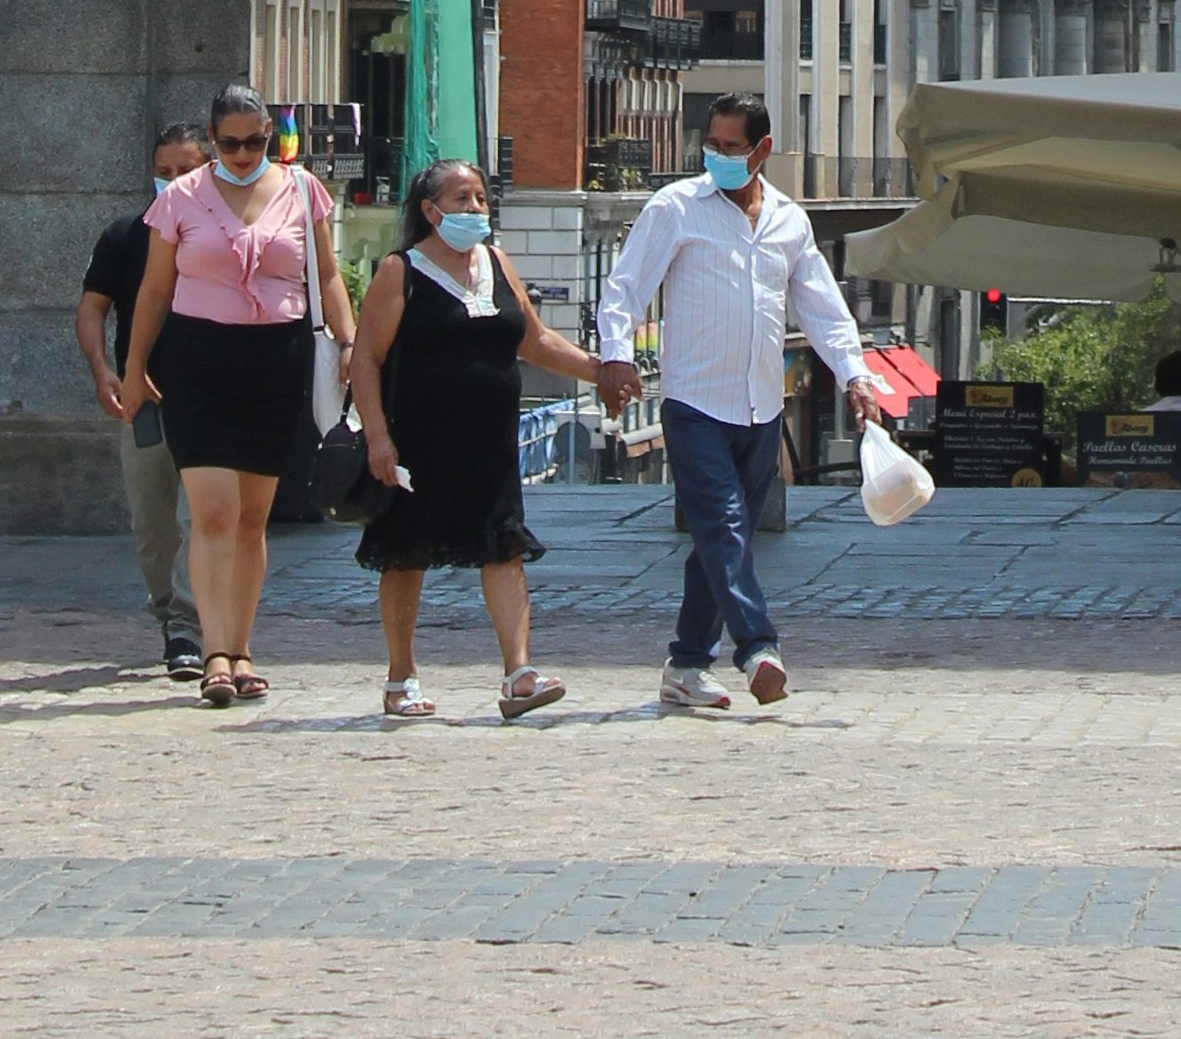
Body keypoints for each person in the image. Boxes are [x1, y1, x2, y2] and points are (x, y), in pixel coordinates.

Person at [594, 92, 892, 712]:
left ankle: (686, 664)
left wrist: (854, 375)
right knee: (724, 527)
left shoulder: (790, 221)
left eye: (732, 147)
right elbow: (625, 287)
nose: (718, 156)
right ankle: (759, 648)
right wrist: (617, 355)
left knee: (723, 538)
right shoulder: (675, 207)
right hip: (694, 402)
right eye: (711, 145)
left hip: (762, 404)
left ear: (762, 151)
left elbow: (819, 303)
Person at [115, 76, 359, 710]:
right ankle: (214, 652)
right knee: (214, 513)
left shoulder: (304, 192)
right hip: (199, 361)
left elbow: (327, 275)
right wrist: (136, 368)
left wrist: (352, 343)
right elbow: (152, 291)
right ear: (214, 141)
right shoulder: (181, 199)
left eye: (256, 142)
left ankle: (243, 647)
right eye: (231, 144)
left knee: (253, 519)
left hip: (276, 361)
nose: (245, 155)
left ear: (272, 138)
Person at [349, 150, 612, 722]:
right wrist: (376, 438)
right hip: (417, 441)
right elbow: (365, 360)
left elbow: (536, 340)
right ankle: (400, 677)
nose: (474, 207)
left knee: (504, 546)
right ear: (429, 209)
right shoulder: (401, 271)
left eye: (480, 198)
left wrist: (600, 368)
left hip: (489, 442)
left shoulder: (496, 261)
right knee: (405, 554)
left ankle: (519, 673)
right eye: (460, 199)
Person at [78, 114, 208, 681]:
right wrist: (103, 370)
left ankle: (192, 627)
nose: (174, 179)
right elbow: (92, 307)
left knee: (205, 514)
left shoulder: (227, 233)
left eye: (185, 169)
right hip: (143, 399)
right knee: (154, 523)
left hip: (211, 395)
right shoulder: (126, 234)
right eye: (163, 171)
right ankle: (169, 611)